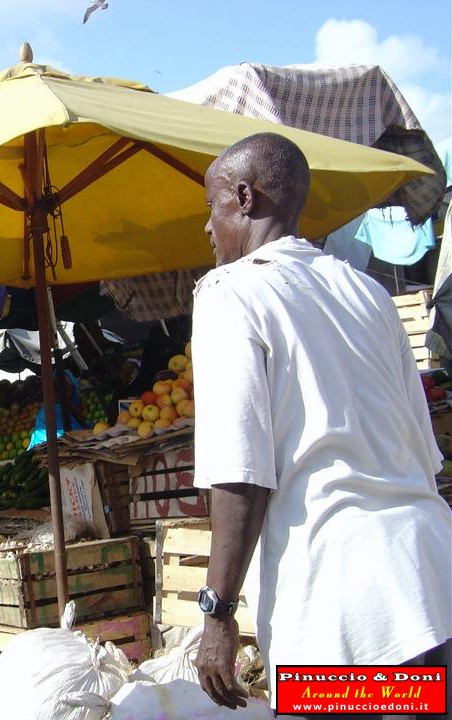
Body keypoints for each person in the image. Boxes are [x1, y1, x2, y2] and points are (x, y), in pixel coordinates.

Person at [190, 132, 452, 719]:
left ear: (244, 197)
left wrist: (217, 612)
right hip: (431, 578)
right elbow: (423, 448)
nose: (208, 229)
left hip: (344, 609)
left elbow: (240, 472)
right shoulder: (368, 293)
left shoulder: (230, 293)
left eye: (212, 209)